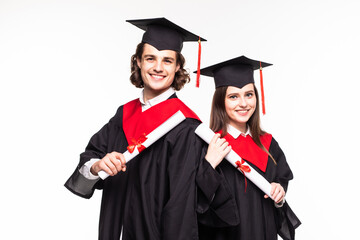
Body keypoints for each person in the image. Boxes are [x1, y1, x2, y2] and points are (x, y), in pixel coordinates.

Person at [64, 17, 235, 240]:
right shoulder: (123, 115)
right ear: (138, 62)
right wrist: (97, 165)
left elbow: (183, 206)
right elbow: (90, 158)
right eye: (150, 58)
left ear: (177, 67)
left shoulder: (186, 127)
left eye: (167, 61)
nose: (157, 67)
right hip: (114, 229)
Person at [196, 56, 301, 240]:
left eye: (249, 94)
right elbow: (194, 203)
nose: (243, 104)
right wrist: (208, 165)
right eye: (233, 96)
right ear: (221, 101)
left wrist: (278, 192)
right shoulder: (210, 145)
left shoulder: (268, 143)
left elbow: (281, 181)